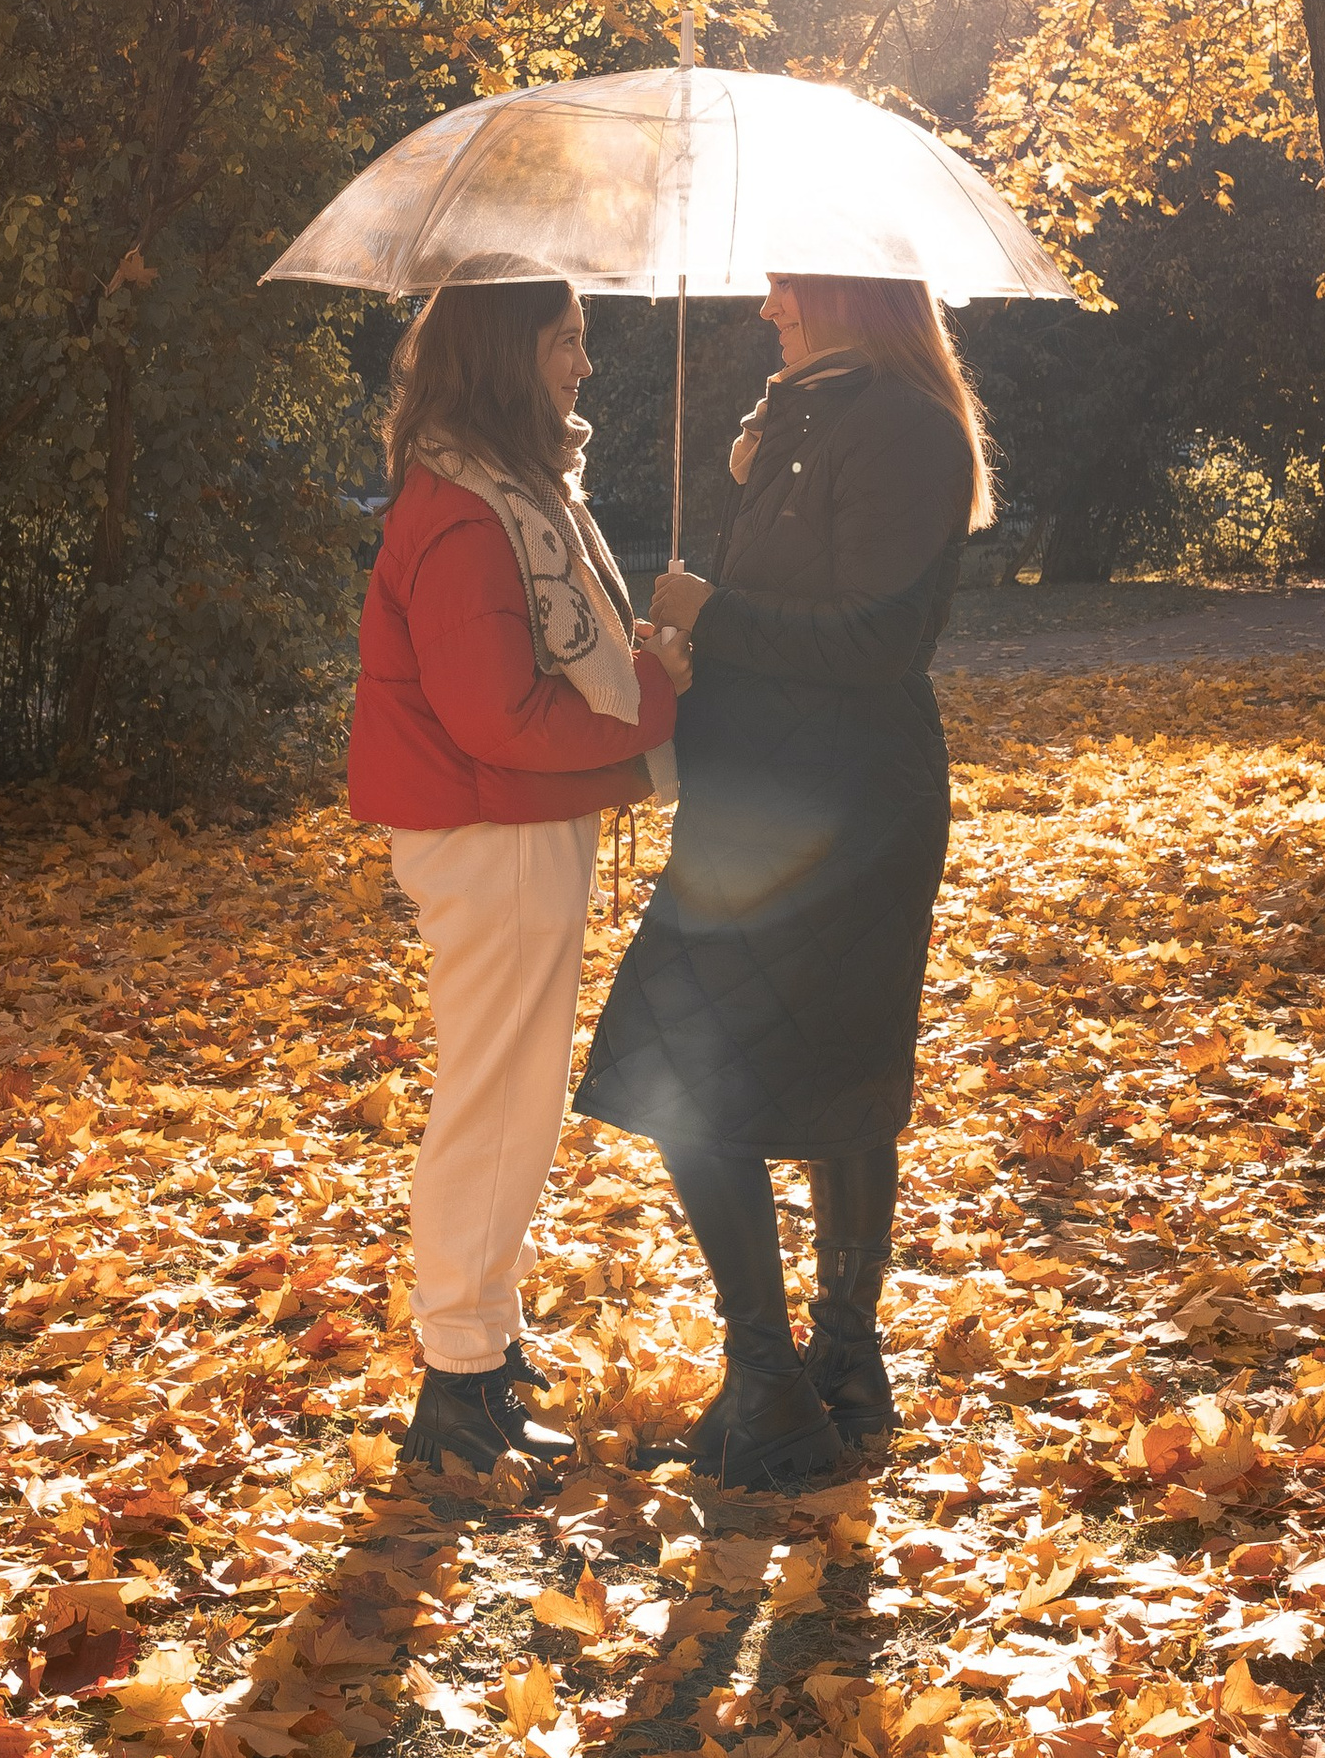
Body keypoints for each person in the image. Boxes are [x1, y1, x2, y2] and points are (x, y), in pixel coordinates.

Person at [572, 270, 993, 1490]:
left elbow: (879, 640)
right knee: (766, 1073)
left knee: (719, 1073)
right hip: (762, 802)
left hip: (843, 810)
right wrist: (689, 637)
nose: (766, 312)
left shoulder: (906, 427)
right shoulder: (802, 418)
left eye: (785, 290)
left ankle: (783, 1380)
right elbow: (790, 607)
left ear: (850, 292)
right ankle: (829, 1377)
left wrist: (713, 612)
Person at [349, 275, 689, 1478]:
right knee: (498, 1102)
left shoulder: (504, 490)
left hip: (507, 826)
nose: (584, 366)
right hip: (488, 832)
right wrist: (653, 697)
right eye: (566, 342)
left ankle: (481, 1350)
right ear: (507, 351)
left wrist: (638, 659)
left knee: (511, 1097)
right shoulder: (464, 511)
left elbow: (528, 672)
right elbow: (495, 715)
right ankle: (459, 1381)